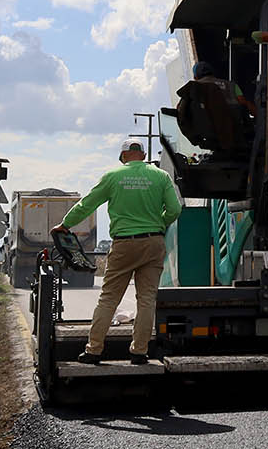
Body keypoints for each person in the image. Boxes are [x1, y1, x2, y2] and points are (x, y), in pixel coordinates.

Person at [62, 139, 182, 363]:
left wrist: (65, 224)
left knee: (109, 298)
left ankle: (93, 350)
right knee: (146, 299)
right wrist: (159, 223)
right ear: (143, 155)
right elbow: (174, 209)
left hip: (124, 244)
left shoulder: (113, 176)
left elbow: (87, 204)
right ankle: (139, 352)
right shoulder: (160, 176)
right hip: (153, 242)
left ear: (124, 156)